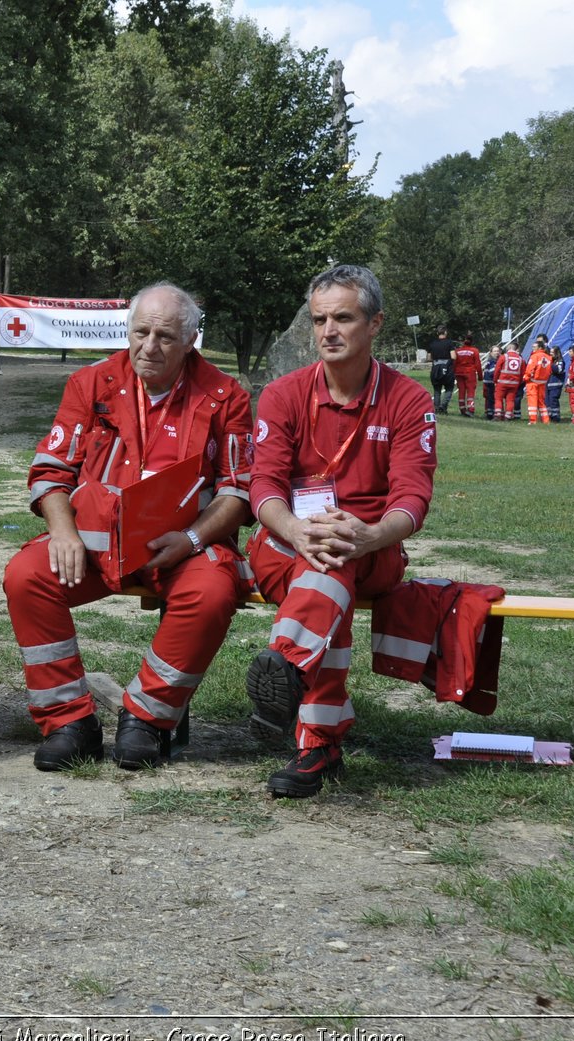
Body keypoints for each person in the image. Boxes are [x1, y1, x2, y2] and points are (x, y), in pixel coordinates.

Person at [3, 284, 253, 770]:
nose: (149, 347)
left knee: (213, 594)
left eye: (164, 337)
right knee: (25, 577)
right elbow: (50, 472)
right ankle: (69, 722)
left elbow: (238, 490)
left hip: (183, 546)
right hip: (94, 545)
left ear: (191, 340)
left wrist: (193, 539)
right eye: (140, 332)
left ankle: (146, 718)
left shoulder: (226, 396)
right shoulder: (90, 383)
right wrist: (63, 532)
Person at [243, 265, 436, 798]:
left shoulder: (408, 399)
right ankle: (317, 740)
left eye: (343, 318)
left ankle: (286, 667)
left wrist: (371, 534)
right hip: (288, 543)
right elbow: (263, 486)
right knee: (327, 571)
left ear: (374, 324)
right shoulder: (283, 394)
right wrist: (298, 532)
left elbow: (413, 498)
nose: (328, 331)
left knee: (335, 562)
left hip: (371, 547)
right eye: (319, 319)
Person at [425, 327, 456, 415]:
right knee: (449, 388)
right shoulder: (449, 343)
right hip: (447, 368)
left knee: (437, 389)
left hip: (435, 368)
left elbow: (429, 358)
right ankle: (443, 406)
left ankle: (437, 408)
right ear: (445, 332)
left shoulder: (432, 344)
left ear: (437, 333)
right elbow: (453, 356)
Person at [523, 338, 553, 424]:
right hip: (542, 382)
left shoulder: (534, 356)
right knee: (541, 402)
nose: (533, 348)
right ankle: (546, 420)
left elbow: (530, 369)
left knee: (532, 402)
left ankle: (533, 420)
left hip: (533, 382)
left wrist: (526, 377)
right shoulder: (548, 357)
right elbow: (549, 371)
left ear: (540, 347)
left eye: (534, 347)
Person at [494, 343, 526, 421]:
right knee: (510, 400)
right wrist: (519, 383)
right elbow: (523, 373)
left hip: (502, 382)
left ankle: (498, 415)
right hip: (514, 384)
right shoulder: (521, 359)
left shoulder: (503, 357)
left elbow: (497, 370)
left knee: (498, 398)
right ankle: (508, 416)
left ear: (510, 348)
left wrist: (495, 380)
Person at [452, 335, 481, 417]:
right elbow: (478, 364)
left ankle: (462, 409)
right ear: (472, 341)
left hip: (459, 373)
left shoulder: (457, 351)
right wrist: (480, 376)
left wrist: (453, 373)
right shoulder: (475, 351)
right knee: (471, 391)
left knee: (461, 391)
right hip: (470, 373)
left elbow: (454, 363)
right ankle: (470, 409)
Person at [545, 345, 566, 423]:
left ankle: (556, 417)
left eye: (552, 352)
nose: (551, 354)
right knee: (547, 402)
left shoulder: (560, 362)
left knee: (553, 401)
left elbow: (558, 370)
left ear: (556, 353)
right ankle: (549, 416)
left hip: (556, 385)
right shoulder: (551, 360)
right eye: (550, 352)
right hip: (548, 385)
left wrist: (550, 364)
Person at [482, 346, 499, 421]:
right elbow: (493, 372)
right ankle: (491, 413)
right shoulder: (493, 361)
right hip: (491, 381)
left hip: (487, 381)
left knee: (489, 398)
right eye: (495, 351)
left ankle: (489, 412)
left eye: (498, 351)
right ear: (491, 352)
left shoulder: (490, 360)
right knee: (491, 398)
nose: (497, 353)